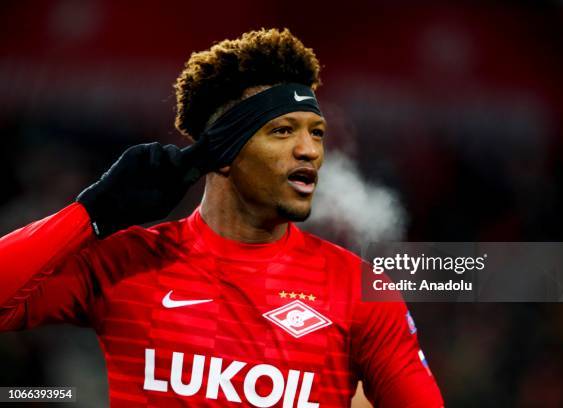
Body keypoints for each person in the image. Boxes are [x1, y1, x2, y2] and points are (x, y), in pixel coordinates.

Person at [0, 28, 443, 407]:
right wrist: (92, 212)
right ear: (225, 154)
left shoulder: (358, 290)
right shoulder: (129, 264)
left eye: (317, 133)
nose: (310, 150)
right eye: (283, 131)